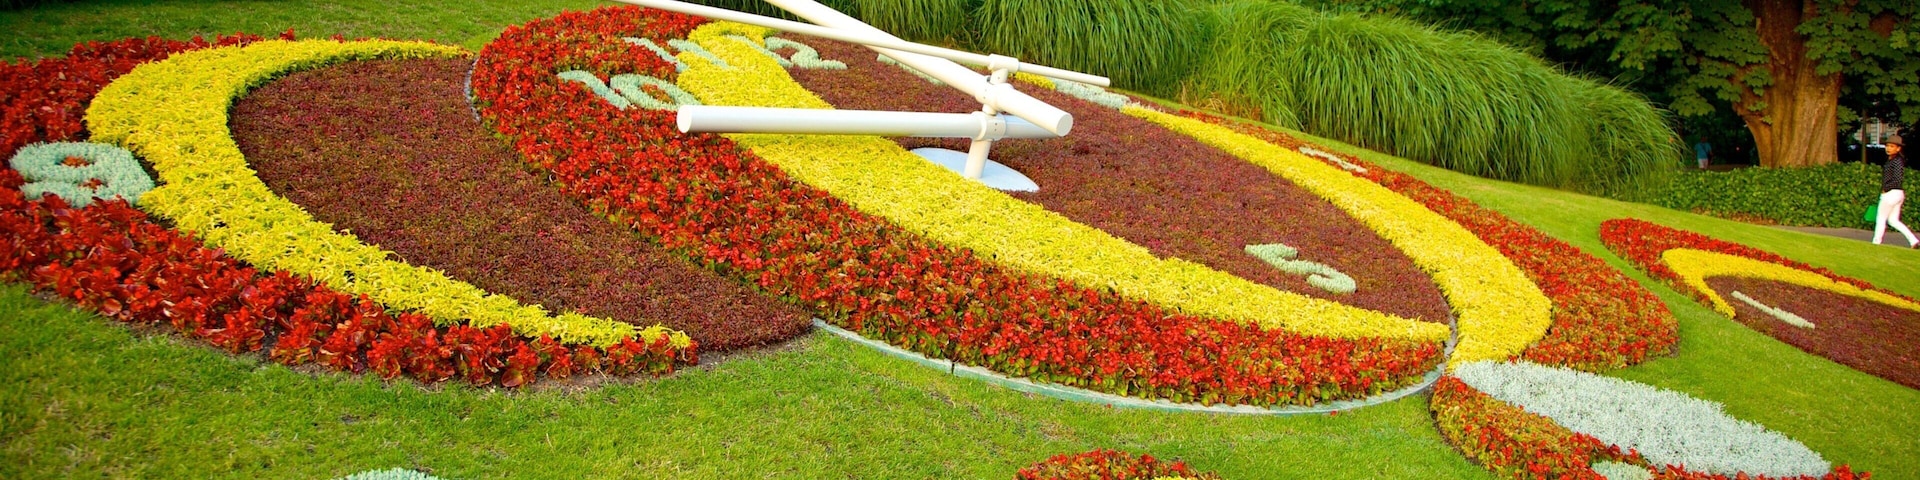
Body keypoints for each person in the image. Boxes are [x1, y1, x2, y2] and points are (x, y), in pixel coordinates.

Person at [1873, 135, 1917, 248]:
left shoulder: (1896, 161)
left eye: (1892, 146)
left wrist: (1885, 189)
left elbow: (1897, 179)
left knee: (1881, 218)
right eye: (1887, 146)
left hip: (1891, 193)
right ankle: (1913, 241)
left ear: (1898, 148)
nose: (1888, 148)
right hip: (1897, 193)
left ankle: (1876, 243)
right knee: (1893, 221)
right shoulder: (1893, 160)